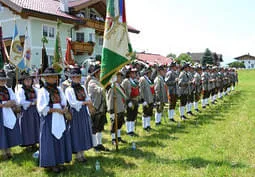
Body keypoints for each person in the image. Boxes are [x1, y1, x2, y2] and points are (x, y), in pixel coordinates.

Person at [37, 67, 72, 173]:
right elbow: (41, 107)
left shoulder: (59, 89)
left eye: (55, 76)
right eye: (52, 77)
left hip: (60, 117)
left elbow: (64, 101)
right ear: (46, 78)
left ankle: (59, 161)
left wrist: (64, 108)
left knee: (60, 138)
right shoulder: (42, 91)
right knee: (50, 140)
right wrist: (56, 110)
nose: (55, 78)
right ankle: (51, 163)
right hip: (49, 119)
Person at [65, 67, 94, 162]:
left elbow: (87, 98)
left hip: (83, 112)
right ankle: (77, 154)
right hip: (75, 113)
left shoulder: (82, 87)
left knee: (83, 131)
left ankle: (82, 153)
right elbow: (73, 103)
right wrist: (85, 103)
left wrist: (87, 102)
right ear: (72, 78)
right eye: (75, 77)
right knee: (76, 132)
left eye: (78, 77)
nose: (77, 78)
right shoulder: (69, 90)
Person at [16, 71, 40, 150]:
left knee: (36, 126)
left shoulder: (35, 89)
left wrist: (37, 101)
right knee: (28, 127)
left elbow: (39, 98)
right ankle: (28, 144)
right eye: (26, 80)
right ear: (23, 81)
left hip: (35, 111)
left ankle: (35, 143)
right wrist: (33, 102)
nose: (28, 81)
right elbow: (20, 101)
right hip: (26, 112)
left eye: (29, 79)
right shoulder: (21, 90)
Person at [0, 70, 21, 160]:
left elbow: (14, 100)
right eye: (1, 80)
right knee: (2, 133)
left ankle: (8, 150)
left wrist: (11, 103)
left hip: (8, 112)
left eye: (4, 80)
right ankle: (3, 152)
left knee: (8, 132)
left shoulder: (8, 90)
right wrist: (4, 105)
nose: (2, 81)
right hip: (1, 113)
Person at [87, 65, 109, 151]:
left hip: (101, 108)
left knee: (100, 127)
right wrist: (107, 85)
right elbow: (99, 90)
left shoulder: (99, 81)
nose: (101, 73)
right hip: (95, 108)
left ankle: (99, 144)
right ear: (96, 73)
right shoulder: (92, 82)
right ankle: (94, 145)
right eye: (100, 72)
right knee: (94, 128)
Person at [106, 72, 127, 145]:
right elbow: (110, 99)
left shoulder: (119, 86)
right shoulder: (113, 87)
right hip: (115, 109)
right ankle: (113, 139)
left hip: (121, 108)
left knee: (120, 123)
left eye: (121, 77)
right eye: (119, 77)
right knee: (114, 124)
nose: (121, 78)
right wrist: (111, 111)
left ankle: (118, 137)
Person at [121, 68, 139, 136]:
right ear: (129, 73)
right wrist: (127, 102)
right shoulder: (126, 81)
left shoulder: (134, 81)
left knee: (133, 115)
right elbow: (123, 92)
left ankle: (132, 130)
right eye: (133, 73)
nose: (134, 74)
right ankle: (128, 131)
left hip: (135, 100)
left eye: (135, 72)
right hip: (129, 100)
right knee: (129, 116)